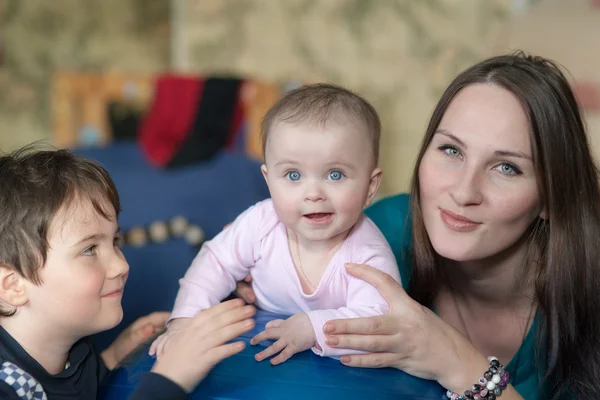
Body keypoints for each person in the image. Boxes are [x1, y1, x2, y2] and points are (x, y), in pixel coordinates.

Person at [235, 52, 600, 399]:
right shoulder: (375, 234)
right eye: (451, 150)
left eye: (507, 167)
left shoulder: (589, 292)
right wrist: (262, 283)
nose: (462, 191)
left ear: (552, 196)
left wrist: (459, 363)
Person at [150, 84, 401, 365]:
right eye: (293, 175)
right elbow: (215, 262)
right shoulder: (261, 222)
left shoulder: (367, 253)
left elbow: (379, 319)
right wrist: (185, 322)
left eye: (335, 174)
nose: (313, 193)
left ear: (370, 186)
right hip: (256, 349)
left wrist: (311, 327)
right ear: (269, 181)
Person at [0, 147, 257, 400]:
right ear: (13, 286)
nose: (121, 265)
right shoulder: (9, 386)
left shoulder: (72, 352)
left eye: (115, 241)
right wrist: (169, 379)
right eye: (89, 250)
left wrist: (113, 357)